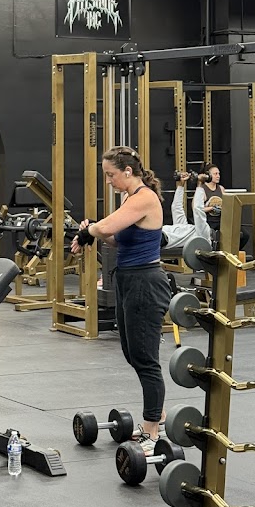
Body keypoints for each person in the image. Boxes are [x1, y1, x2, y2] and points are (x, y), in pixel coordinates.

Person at [72, 146, 171, 454]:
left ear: (128, 171)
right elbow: (114, 237)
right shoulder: (130, 199)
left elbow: (104, 227)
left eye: (110, 175)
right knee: (132, 353)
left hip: (146, 283)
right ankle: (157, 414)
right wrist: (92, 230)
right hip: (128, 281)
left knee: (146, 358)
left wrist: (90, 230)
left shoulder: (144, 198)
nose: (108, 181)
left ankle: (152, 431)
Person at [191, 162, 250, 252]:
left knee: (244, 235)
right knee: (213, 237)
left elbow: (226, 205)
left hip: (221, 221)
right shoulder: (202, 190)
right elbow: (196, 208)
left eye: (219, 174)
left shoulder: (221, 189)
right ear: (208, 175)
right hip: (209, 222)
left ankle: (232, 252)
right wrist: (211, 208)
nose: (218, 176)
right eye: (215, 174)